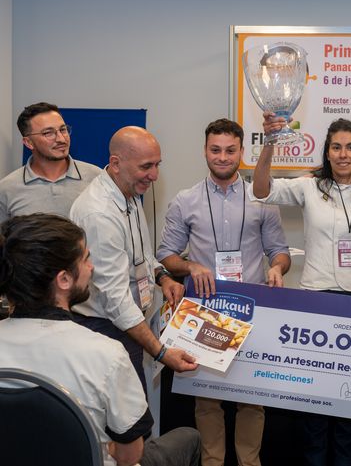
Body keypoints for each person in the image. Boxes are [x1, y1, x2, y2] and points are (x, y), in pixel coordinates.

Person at [0, 213, 202, 466]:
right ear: (64, 279)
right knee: (189, 437)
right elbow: (130, 456)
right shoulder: (106, 354)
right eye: (86, 258)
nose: (92, 267)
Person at [158, 118, 291, 466]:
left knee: (252, 400)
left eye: (230, 150)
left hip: (253, 309)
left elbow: (279, 251)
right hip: (205, 311)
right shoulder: (185, 200)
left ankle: (249, 462)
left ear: (241, 152)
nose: (222, 157)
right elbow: (166, 255)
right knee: (207, 400)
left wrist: (277, 267)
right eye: (215, 150)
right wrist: (190, 266)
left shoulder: (262, 198)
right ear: (205, 151)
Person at [252, 117, 351, 466]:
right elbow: (261, 190)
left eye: (350, 147)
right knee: (315, 403)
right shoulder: (310, 186)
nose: (343, 154)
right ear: (327, 152)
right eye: (336, 147)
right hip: (317, 301)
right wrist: (269, 143)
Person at [70, 126, 197, 391]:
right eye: (146, 166)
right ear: (116, 164)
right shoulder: (99, 214)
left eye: (157, 165)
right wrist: (161, 352)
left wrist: (163, 278)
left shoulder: (129, 192)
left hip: (127, 325)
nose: (154, 175)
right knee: (130, 415)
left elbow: (142, 256)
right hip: (105, 328)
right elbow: (116, 300)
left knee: (135, 409)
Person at [0, 102, 101, 222]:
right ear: (29, 142)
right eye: (48, 133)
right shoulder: (7, 189)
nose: (61, 139)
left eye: (63, 130)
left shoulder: (97, 178)